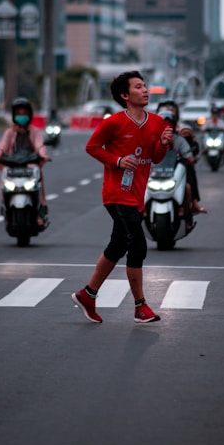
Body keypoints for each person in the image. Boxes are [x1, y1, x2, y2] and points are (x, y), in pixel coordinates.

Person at [71, 71, 173, 324]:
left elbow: (157, 157)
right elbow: (91, 147)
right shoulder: (113, 123)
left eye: (145, 86)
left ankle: (88, 294)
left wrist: (162, 143)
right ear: (125, 96)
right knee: (137, 245)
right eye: (139, 87)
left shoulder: (158, 122)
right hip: (116, 195)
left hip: (138, 195)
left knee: (117, 246)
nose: (146, 90)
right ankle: (140, 306)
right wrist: (117, 160)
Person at [0, 98, 50, 227]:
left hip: (30, 167)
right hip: (12, 167)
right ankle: (6, 209)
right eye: (19, 113)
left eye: (24, 113)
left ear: (29, 115)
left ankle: (40, 211)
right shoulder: (9, 132)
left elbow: (40, 146)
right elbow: (2, 146)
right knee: (4, 181)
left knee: (38, 174)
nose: (21, 116)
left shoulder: (35, 132)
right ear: (14, 115)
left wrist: (43, 155)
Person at [158, 109, 207, 219]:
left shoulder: (179, 140)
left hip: (175, 173)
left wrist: (188, 158)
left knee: (188, 185)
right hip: (156, 171)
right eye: (164, 124)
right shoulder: (153, 138)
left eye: (169, 124)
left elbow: (188, 155)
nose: (167, 127)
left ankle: (193, 204)